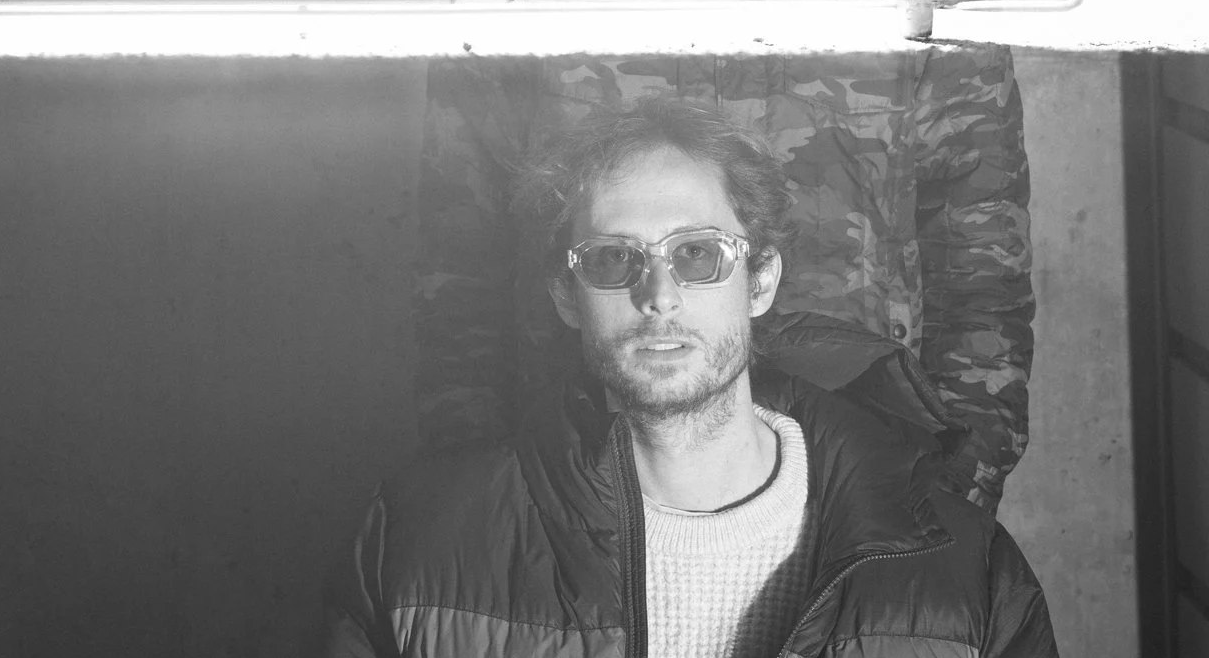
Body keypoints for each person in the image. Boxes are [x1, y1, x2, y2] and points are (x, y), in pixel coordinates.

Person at [278, 101, 1098, 658]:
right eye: (611, 260)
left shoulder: (959, 567)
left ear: (762, 280)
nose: (660, 295)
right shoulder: (422, 540)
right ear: (567, 296)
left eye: (700, 255)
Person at [418, 47, 1035, 509]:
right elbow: (458, 268)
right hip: (570, 482)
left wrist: (953, 492)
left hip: (863, 478)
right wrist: (485, 499)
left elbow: (982, 271)